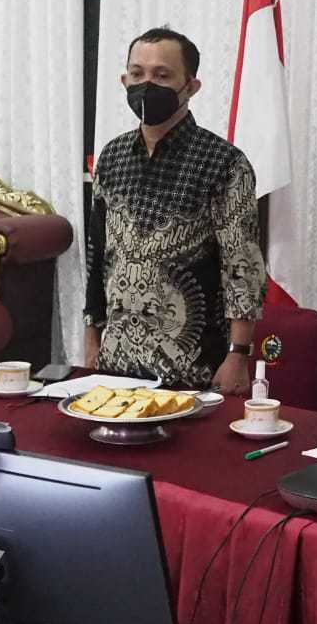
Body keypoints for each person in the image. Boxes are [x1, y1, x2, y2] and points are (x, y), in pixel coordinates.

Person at [84, 27, 267, 393]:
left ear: (191, 86)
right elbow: (97, 254)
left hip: (194, 368)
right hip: (116, 364)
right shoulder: (112, 156)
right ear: (124, 81)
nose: (147, 85)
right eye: (137, 74)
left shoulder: (224, 163)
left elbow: (241, 267)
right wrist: (91, 335)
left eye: (162, 75)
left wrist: (238, 354)